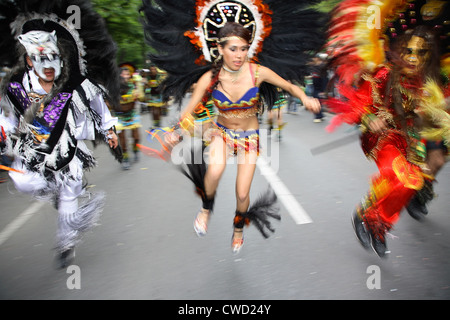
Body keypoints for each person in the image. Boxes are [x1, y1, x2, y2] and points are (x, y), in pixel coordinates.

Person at [141, 0, 326, 253]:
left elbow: (290, 86)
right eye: (234, 49)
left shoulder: (258, 72)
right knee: (214, 172)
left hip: (249, 136)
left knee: (241, 194)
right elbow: (191, 110)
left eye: (244, 49)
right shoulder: (210, 78)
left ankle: (238, 228)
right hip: (222, 133)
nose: (239, 55)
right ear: (220, 49)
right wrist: (175, 131)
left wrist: (304, 97)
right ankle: (206, 209)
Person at [0, 0, 121, 268]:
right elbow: (7, 118)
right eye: (42, 58)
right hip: (30, 149)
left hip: (68, 148)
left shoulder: (74, 84)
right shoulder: (16, 88)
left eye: (54, 56)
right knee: (22, 180)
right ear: (30, 59)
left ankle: (66, 243)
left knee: (71, 187)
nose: (49, 63)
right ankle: (52, 190)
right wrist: (6, 138)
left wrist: (109, 129)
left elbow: (97, 103)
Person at [326, 0, 449, 258]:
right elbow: (359, 102)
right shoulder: (384, 74)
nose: (414, 58)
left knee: (412, 181)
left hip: (411, 141)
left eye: (421, 53)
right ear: (400, 51)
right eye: (409, 51)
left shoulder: (430, 82)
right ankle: (369, 214)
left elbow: (441, 111)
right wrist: (370, 117)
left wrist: (434, 110)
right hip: (383, 137)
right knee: (401, 176)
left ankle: (377, 221)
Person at [116, 64, 142, 170]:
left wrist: (139, 87)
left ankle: (135, 150)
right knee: (122, 139)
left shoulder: (134, 86)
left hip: (132, 115)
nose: (126, 76)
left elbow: (142, 98)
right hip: (119, 116)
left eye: (127, 74)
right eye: (123, 74)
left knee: (136, 137)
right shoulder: (114, 88)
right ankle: (125, 159)